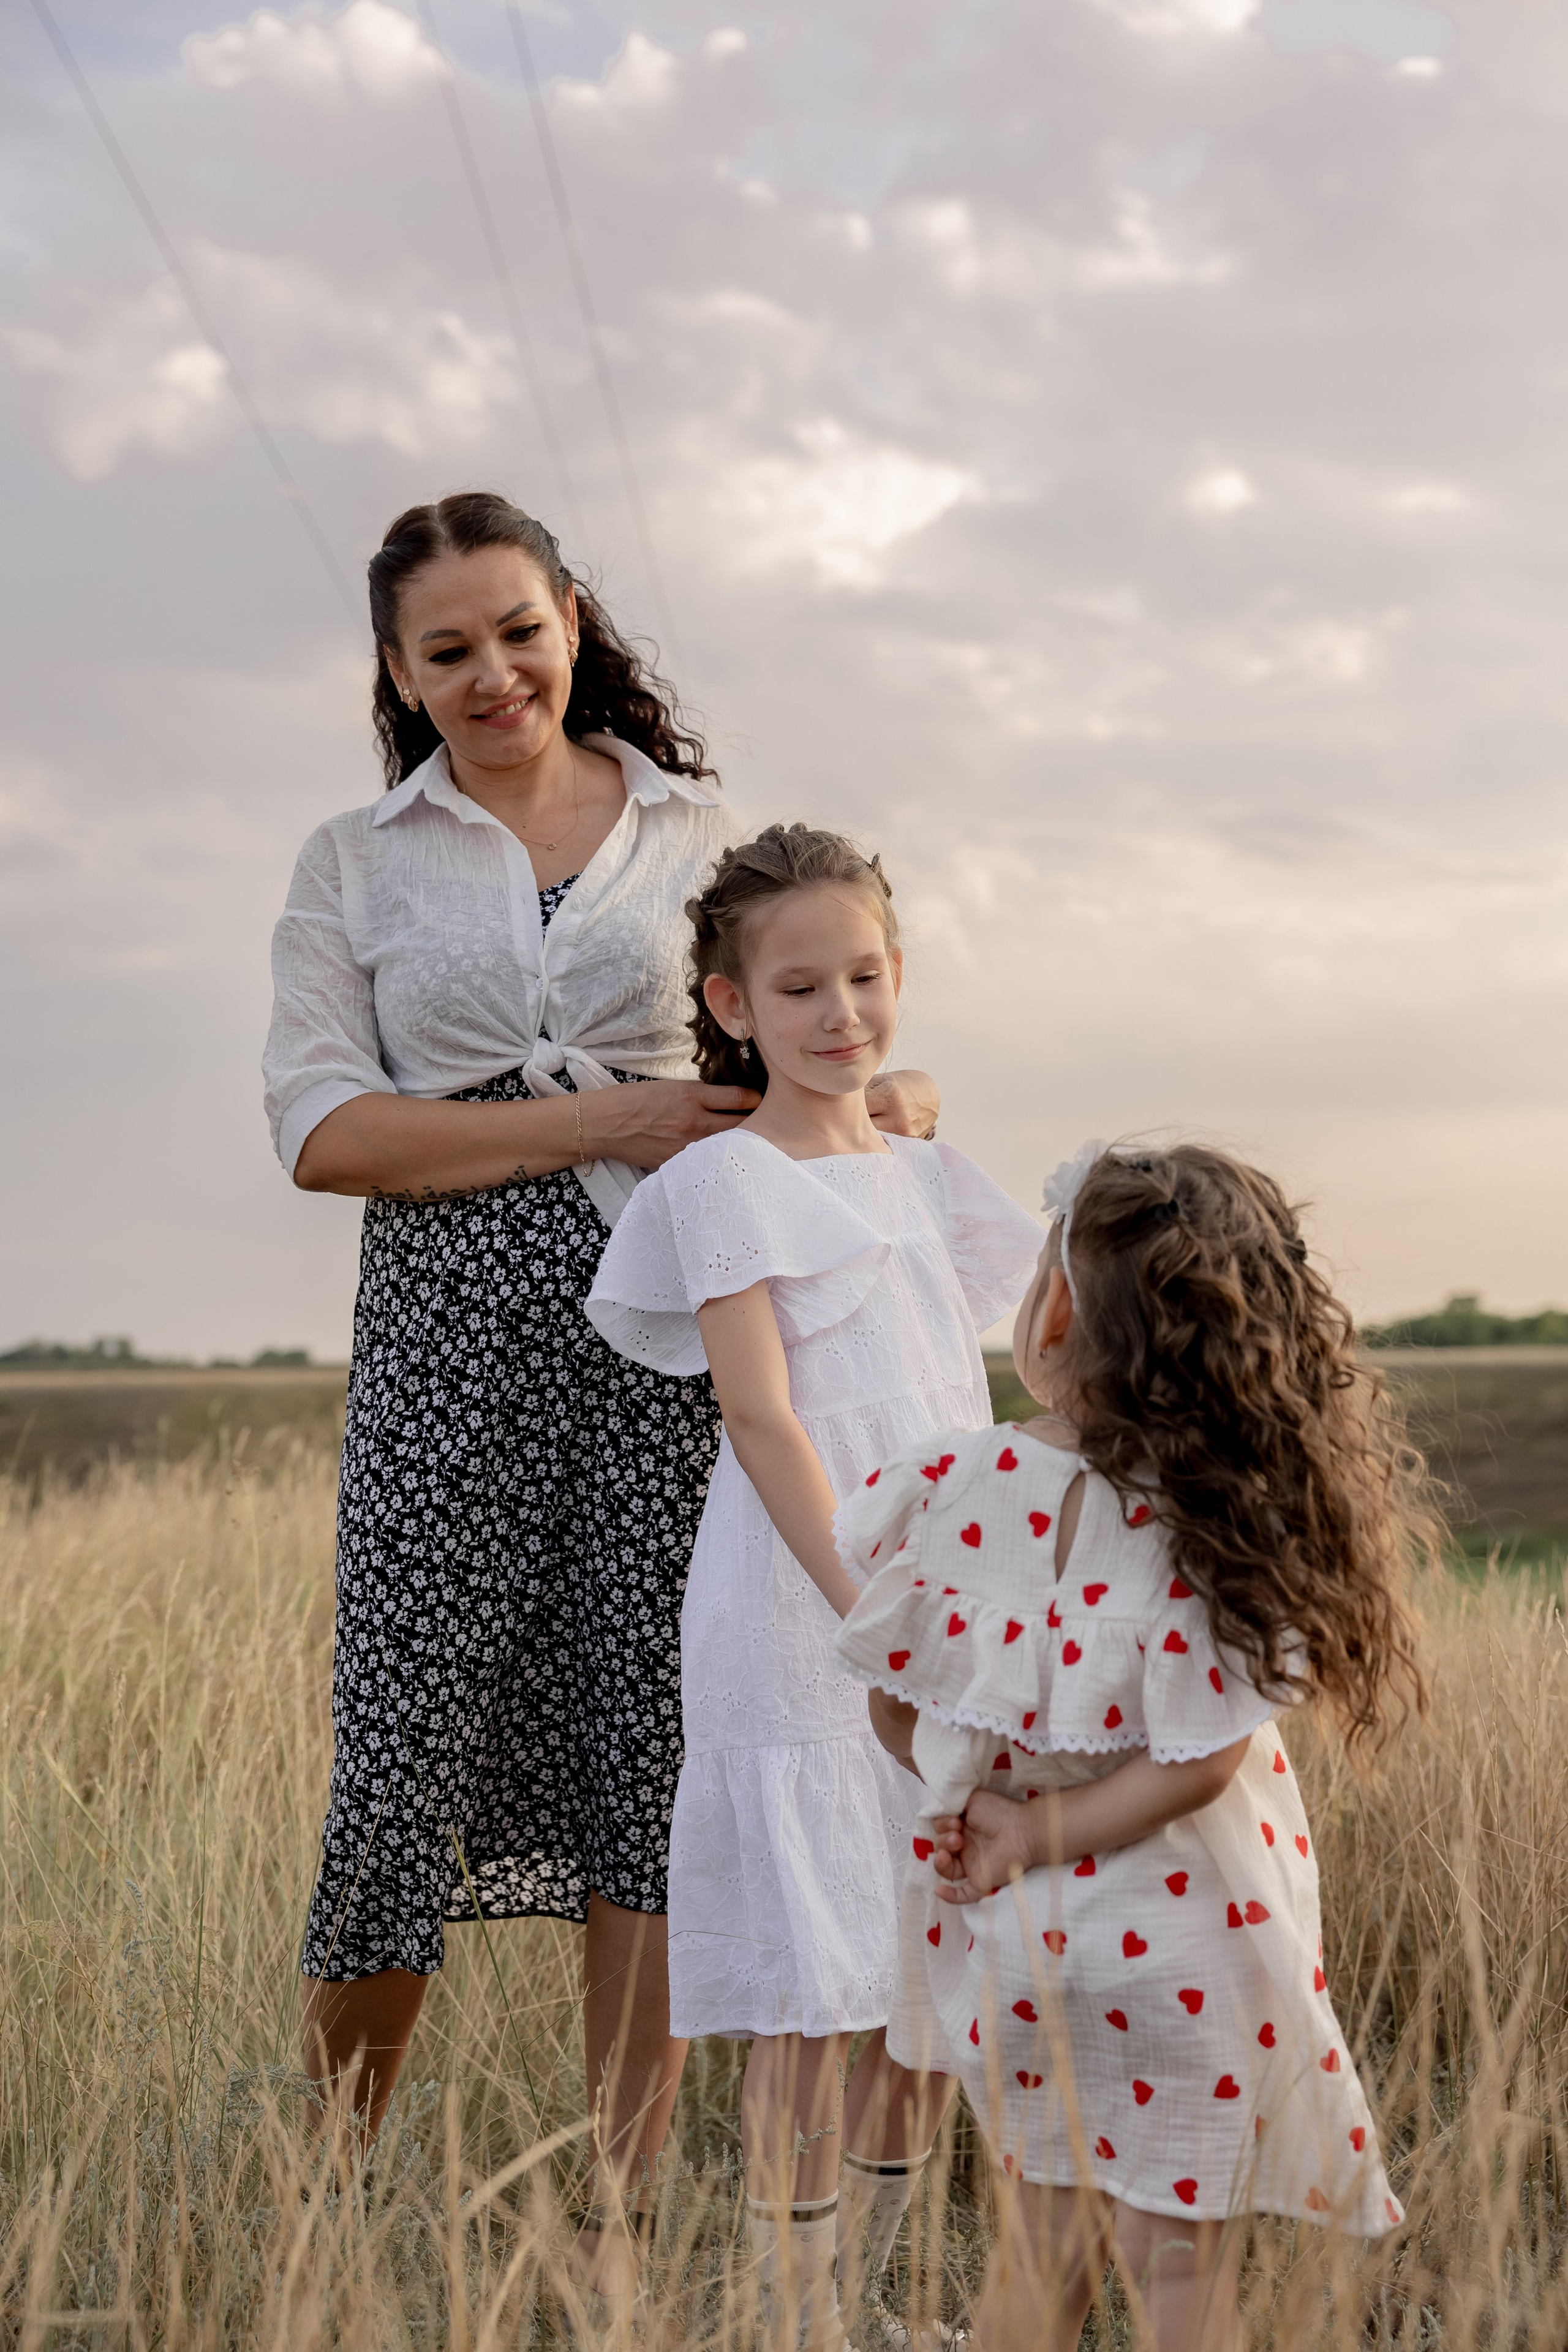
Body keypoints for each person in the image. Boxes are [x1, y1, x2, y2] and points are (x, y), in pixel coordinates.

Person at [260, 494, 938, 2271]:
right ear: (400, 675)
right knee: (402, 1752)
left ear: (572, 617)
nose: (494, 675)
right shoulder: (355, 860)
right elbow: (327, 1132)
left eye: (517, 631)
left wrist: (875, 1110)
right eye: (448, 651)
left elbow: (800, 1023)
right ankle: (323, 2193)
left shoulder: (694, 832)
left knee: (651, 1746)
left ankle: (623, 2206)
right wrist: (621, 1115)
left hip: (685, 1332)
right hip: (447, 1344)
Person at [835, 1140, 1431, 2352]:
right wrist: (1053, 1826)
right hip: (1185, 1955)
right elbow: (1201, 1760)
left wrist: (982, 1814)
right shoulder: (1221, 1511)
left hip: (1020, 1949)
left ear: (1053, 1308)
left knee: (1034, 2258)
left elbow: (892, 1702)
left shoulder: (958, 1481)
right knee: (1175, 2279)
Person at [584, 825, 1042, 2351]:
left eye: (862, 976)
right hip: (809, 1604)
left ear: (897, 976)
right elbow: (762, 1415)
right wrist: (866, 1602)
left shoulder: (919, 1171)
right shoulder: (723, 1178)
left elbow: (1002, 1361)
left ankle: (880, 2308)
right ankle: (797, 2323)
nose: (838, 1013)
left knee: (928, 1960)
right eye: (798, 988)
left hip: (956, 1591)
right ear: (729, 1004)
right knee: (813, 1984)